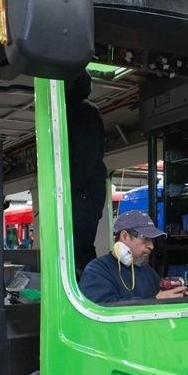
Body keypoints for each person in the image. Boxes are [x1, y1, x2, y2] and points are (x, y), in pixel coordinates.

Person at [80, 210, 188, 304]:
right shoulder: (97, 270)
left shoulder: (147, 270)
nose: (151, 246)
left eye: (152, 240)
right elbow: (104, 311)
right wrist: (156, 301)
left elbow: (161, 298)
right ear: (125, 236)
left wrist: (180, 296)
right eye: (145, 239)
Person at [66, 70, 108, 275]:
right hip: (82, 191)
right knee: (75, 249)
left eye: (68, 80)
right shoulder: (69, 110)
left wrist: (68, 188)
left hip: (85, 192)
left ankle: (89, 287)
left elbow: (86, 158)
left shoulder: (85, 110)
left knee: (79, 249)